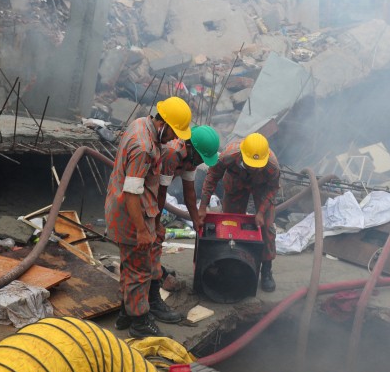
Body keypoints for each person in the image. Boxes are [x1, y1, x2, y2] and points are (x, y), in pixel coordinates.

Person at [104, 96, 191, 338]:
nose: (175, 138)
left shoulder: (141, 124)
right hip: (131, 214)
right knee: (139, 270)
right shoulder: (144, 147)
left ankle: (125, 313)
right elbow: (132, 193)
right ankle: (140, 323)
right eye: (174, 132)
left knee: (131, 266)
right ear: (163, 123)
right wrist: (142, 230)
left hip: (129, 209)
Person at [197, 132, 280, 292]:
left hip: (261, 186)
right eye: (251, 165)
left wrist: (261, 212)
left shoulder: (272, 166)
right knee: (230, 225)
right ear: (242, 156)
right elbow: (212, 177)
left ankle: (266, 270)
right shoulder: (228, 156)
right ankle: (231, 263)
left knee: (268, 228)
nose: (254, 169)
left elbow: (273, 189)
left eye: (258, 167)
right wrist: (203, 207)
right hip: (236, 182)